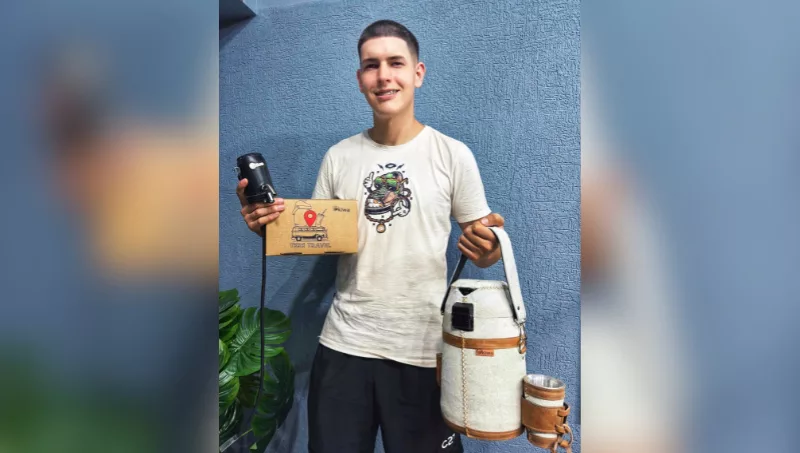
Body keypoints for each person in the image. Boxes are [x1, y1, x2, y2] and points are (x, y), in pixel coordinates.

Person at [236, 20, 505, 453]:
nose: (384, 76)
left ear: (418, 72)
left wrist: (489, 249)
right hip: (345, 345)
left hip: (423, 351)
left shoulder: (453, 155)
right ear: (360, 78)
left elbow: (485, 248)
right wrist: (267, 225)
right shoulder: (339, 157)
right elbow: (316, 235)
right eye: (371, 65)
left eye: (395, 63)